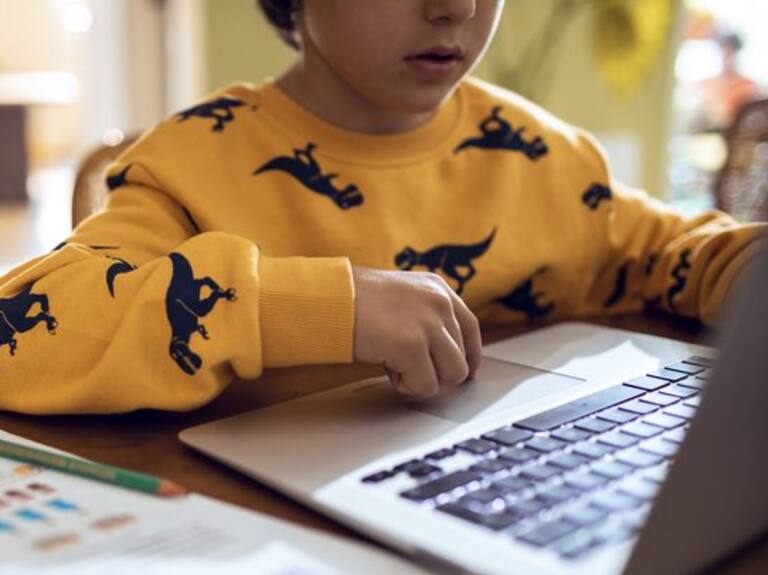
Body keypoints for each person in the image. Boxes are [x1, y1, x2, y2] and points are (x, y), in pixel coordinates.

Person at [0, 0, 764, 414]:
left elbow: (686, 253)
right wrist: (321, 306)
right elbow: (24, 332)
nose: (454, 7)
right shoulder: (191, 165)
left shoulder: (550, 159)